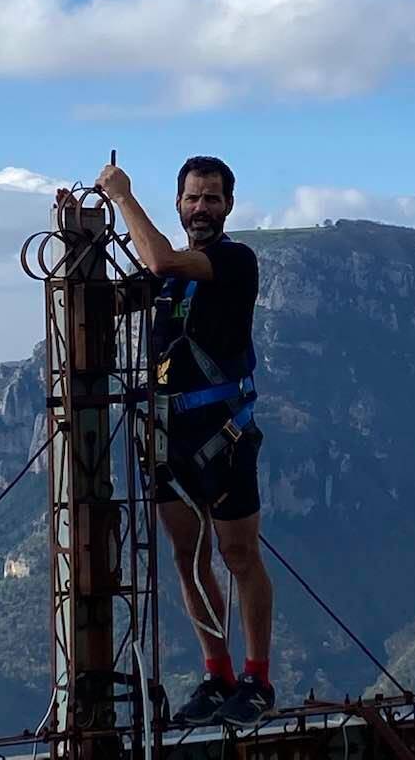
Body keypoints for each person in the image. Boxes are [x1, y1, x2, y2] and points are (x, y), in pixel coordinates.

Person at [89, 156, 274, 728]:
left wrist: (121, 196)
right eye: (193, 198)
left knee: (239, 556)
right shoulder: (168, 281)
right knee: (188, 560)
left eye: (212, 198)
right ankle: (216, 673)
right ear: (179, 204)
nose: (202, 208)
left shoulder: (234, 261)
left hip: (224, 434)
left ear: (228, 206)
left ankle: (256, 679)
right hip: (170, 435)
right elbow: (139, 282)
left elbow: (161, 256)